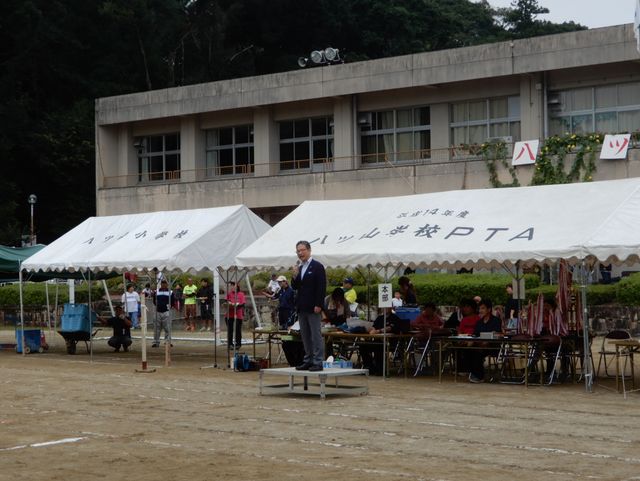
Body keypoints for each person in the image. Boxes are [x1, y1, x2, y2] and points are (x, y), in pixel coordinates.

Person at [291, 240, 326, 372]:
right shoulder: (300, 267)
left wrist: (319, 304)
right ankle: (308, 360)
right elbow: (295, 286)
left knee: (315, 334)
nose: (300, 253)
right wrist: (294, 275)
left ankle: (318, 361)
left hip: (313, 306)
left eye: (302, 250)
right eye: (298, 251)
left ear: (309, 250)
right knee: (305, 335)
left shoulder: (317, 266)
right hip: (301, 306)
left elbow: (321, 287)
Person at [359, 308, 403, 376]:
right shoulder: (379, 318)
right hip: (377, 340)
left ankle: (380, 369)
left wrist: (378, 331)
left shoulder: (395, 318)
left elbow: (390, 328)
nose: (385, 309)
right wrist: (372, 330)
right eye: (383, 308)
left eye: (387, 307)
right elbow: (374, 326)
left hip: (389, 342)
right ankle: (369, 367)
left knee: (378, 346)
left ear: (390, 308)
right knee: (363, 345)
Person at [468, 298, 502, 383]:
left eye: (483, 308)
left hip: (492, 346)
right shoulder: (479, 322)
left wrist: (487, 341)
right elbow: (475, 335)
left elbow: (497, 334)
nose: (480, 310)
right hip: (479, 345)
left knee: (477, 351)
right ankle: (473, 372)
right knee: (469, 350)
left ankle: (479, 376)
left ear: (489, 309)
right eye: (479, 308)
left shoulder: (496, 321)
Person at [152, 279, 173, 348]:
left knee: (168, 328)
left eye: (165, 283)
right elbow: (154, 301)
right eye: (162, 283)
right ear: (160, 284)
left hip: (166, 311)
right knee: (156, 328)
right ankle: (156, 342)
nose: (164, 285)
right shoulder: (156, 292)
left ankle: (167, 342)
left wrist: (169, 306)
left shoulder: (170, 292)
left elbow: (172, 301)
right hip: (157, 311)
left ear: (167, 284)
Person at [226, 281, 246, 350]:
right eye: (231, 286)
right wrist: (229, 304)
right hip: (229, 314)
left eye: (233, 285)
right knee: (230, 330)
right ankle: (230, 344)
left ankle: (238, 344)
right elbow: (226, 302)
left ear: (237, 286)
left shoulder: (241, 294)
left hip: (238, 315)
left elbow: (243, 304)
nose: (232, 287)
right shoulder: (229, 294)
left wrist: (236, 305)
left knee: (238, 330)